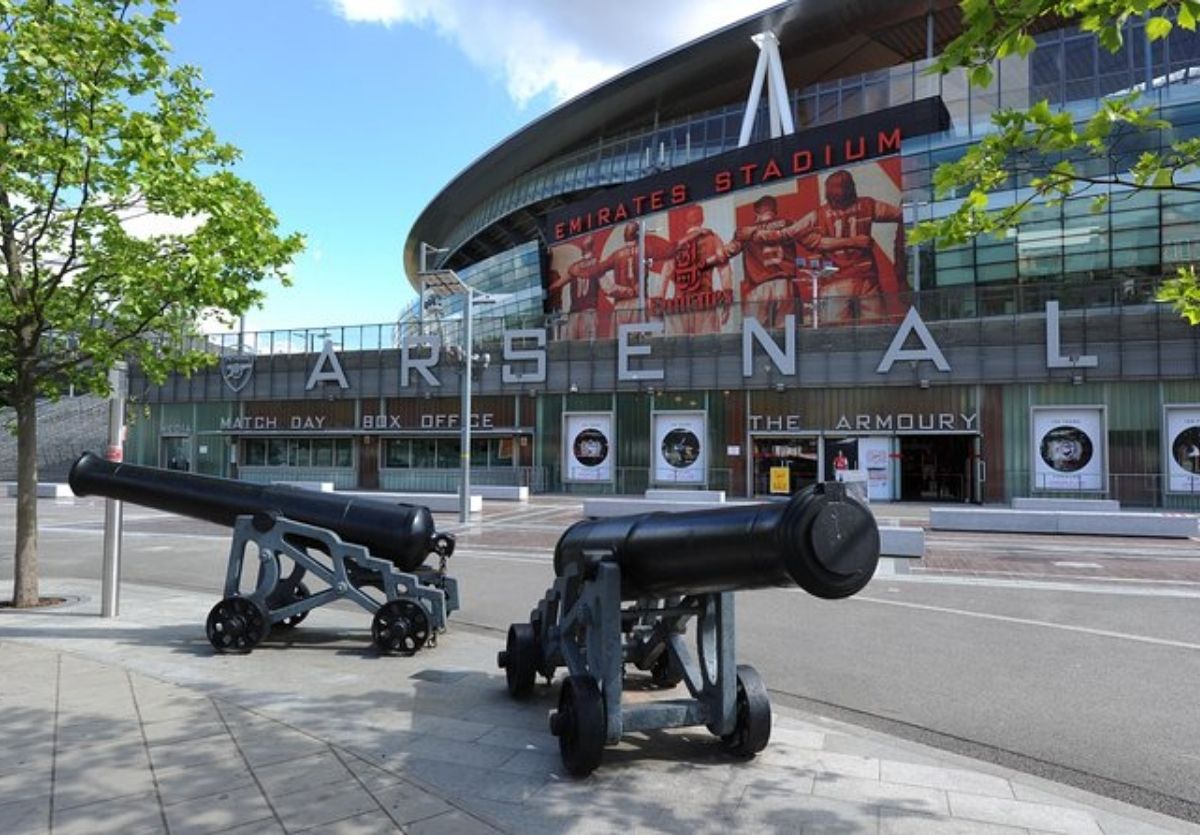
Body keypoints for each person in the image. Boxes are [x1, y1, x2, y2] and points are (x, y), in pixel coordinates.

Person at [754, 168, 905, 325]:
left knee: (838, 334)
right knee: (873, 329)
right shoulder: (868, 205)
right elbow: (900, 214)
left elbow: (789, 234)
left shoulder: (818, 214)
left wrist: (760, 233)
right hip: (860, 279)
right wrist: (854, 241)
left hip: (843, 281)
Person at [712, 194, 798, 330]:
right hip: (784, 284)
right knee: (786, 333)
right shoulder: (788, 224)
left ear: (757, 212)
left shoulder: (745, 232)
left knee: (755, 335)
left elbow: (727, 253)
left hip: (758, 285)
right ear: (775, 210)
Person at [660, 204, 732, 336]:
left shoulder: (677, 244)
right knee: (707, 350)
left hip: (679, 304)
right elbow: (724, 271)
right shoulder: (713, 239)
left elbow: (665, 273)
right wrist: (727, 299)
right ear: (702, 219)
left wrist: (660, 302)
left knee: (679, 351)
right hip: (705, 302)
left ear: (685, 222)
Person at [548, 235, 602, 340]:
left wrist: (545, 292)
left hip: (574, 313)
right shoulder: (598, 265)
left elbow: (558, 284)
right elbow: (608, 287)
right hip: (588, 312)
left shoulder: (574, 267)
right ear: (593, 247)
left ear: (582, 249)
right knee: (588, 347)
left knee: (570, 348)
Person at [593, 221, 642, 336]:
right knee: (638, 343)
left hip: (621, 305)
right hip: (637, 303)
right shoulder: (644, 251)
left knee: (619, 344)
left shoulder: (616, 255)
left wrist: (615, 289)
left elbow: (597, 271)